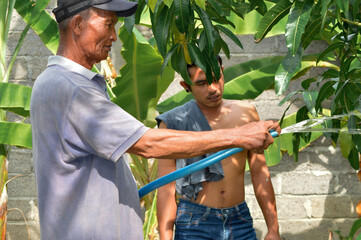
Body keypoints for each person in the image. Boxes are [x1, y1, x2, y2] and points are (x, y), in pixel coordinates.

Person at [30, 0, 280, 239]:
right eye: (109, 24)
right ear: (77, 24)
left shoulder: (65, 84)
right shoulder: (71, 89)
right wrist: (240, 135)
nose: (115, 36)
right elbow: (149, 144)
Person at [156, 56, 281, 240]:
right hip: (194, 223)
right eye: (202, 83)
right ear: (186, 86)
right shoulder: (174, 122)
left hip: (239, 220)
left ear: (223, 71)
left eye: (217, 78)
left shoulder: (246, 113)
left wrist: (273, 229)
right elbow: (166, 187)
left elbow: (260, 172)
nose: (213, 88)